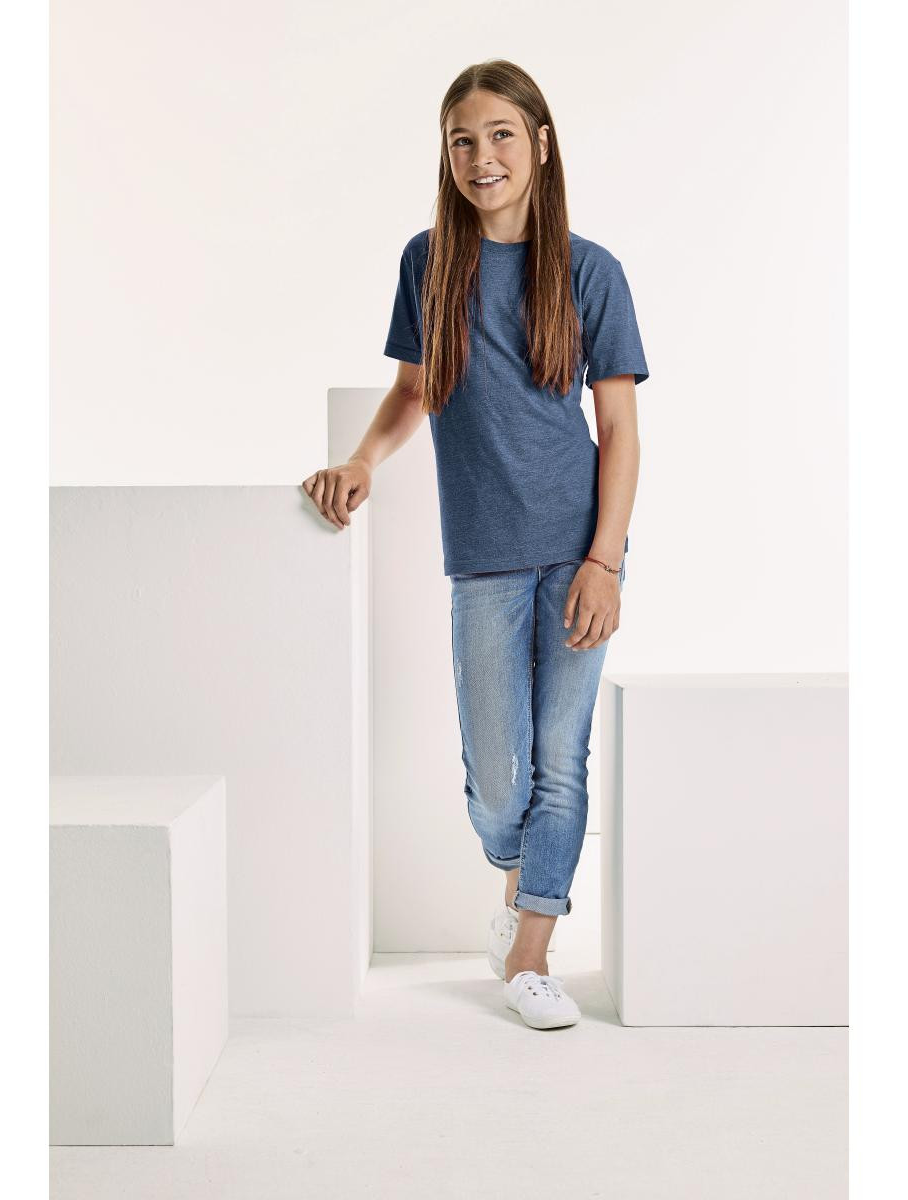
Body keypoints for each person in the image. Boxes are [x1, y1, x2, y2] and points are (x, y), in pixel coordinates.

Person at [302, 60, 649, 1031]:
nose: (481, 156)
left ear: (540, 142)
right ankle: (519, 882)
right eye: (462, 140)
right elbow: (414, 389)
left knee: (561, 760)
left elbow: (619, 430)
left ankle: (530, 955)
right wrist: (361, 459)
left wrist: (604, 561)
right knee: (500, 788)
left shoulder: (589, 270)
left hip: (577, 548)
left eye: (500, 134)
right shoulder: (430, 262)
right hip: (485, 557)